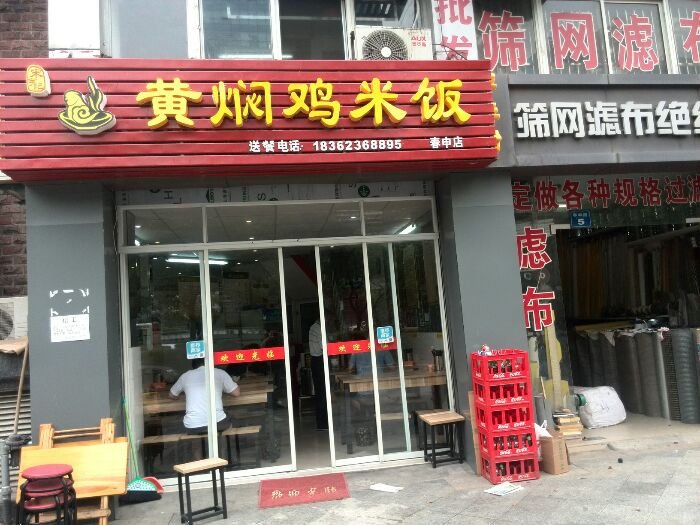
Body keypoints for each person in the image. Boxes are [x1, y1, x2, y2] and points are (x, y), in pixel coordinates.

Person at [169, 358, 240, 434]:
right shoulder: (220, 373)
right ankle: (221, 441)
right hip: (218, 424)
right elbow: (236, 393)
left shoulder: (185, 376)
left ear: (193, 364)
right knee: (228, 416)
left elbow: (171, 395)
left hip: (192, 427)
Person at [308, 319, 328, 430]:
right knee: (322, 392)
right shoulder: (317, 328)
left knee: (321, 392)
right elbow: (323, 346)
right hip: (319, 361)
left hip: (316, 361)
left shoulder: (314, 327)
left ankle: (322, 422)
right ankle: (323, 423)